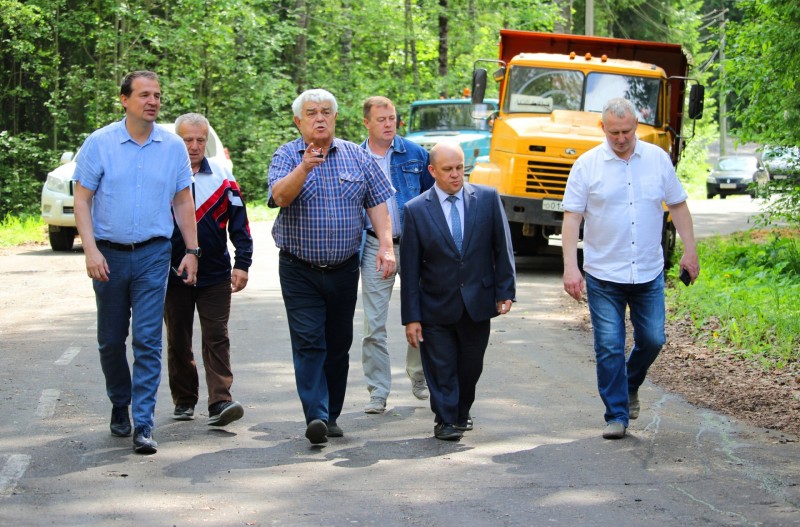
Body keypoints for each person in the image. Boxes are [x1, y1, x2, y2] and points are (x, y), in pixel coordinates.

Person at [72, 70, 199, 455]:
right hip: (108, 254)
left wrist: (191, 251)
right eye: (144, 94)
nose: (153, 101)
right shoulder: (100, 143)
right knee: (111, 341)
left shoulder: (173, 146)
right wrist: (91, 250)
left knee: (147, 339)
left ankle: (143, 423)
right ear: (124, 100)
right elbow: (82, 199)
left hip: (153, 253)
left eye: (157, 95)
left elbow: (182, 201)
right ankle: (119, 402)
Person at [561, 97, 700, 440]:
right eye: (613, 132)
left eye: (626, 131)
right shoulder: (586, 165)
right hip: (603, 273)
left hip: (648, 271)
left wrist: (690, 251)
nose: (620, 138)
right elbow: (571, 217)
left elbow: (678, 206)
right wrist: (570, 267)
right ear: (603, 128)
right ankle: (616, 414)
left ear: (636, 126)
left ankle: (631, 382)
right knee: (609, 344)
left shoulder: (657, 160)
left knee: (653, 339)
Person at [268, 88, 396, 445]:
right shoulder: (285, 156)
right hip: (298, 268)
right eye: (311, 113)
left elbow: (378, 205)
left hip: (343, 269)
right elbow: (279, 196)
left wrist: (386, 248)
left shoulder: (358, 157)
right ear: (298, 122)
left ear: (335, 117)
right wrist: (304, 167)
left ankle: (332, 413)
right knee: (309, 340)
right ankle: (316, 415)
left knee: (338, 343)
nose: (320, 118)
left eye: (326, 111)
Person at [400, 142, 516, 441]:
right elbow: (410, 269)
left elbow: (501, 248)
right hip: (435, 305)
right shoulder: (415, 210)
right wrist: (411, 317)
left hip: (477, 300)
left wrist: (506, 290)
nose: (455, 175)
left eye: (460, 168)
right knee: (440, 365)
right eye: (448, 170)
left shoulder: (487, 199)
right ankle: (446, 418)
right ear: (432, 171)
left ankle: (461, 412)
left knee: (470, 365)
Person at [164, 113, 253, 428]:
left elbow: (240, 226)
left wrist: (243, 262)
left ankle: (220, 402)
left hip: (215, 273)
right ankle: (185, 400)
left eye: (200, 140)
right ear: (178, 140)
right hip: (172, 273)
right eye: (187, 139)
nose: (194, 146)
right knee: (178, 339)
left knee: (216, 336)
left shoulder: (223, 177)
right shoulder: (164, 174)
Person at [359, 96, 435, 414]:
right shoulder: (355, 158)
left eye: (392, 118)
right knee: (373, 323)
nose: (389, 124)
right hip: (375, 245)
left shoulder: (416, 154)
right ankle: (378, 390)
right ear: (367, 122)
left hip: (416, 245)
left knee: (426, 314)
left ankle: (419, 376)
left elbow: (436, 198)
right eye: (382, 119)